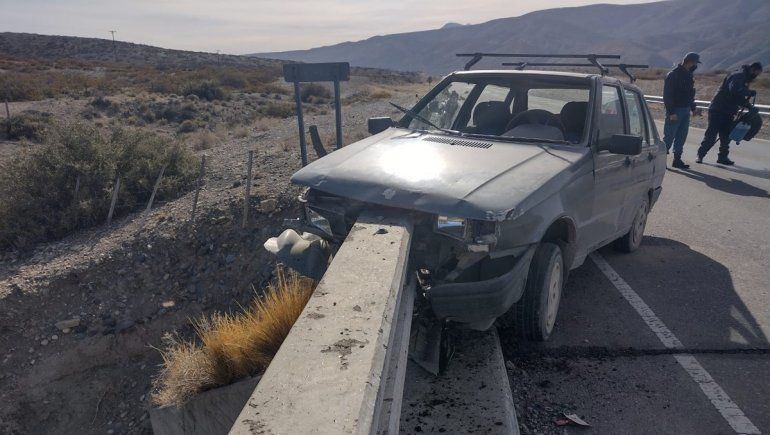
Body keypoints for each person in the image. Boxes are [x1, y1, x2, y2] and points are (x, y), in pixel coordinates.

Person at [697, 62, 763, 165]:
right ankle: (700, 155)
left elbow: (738, 98)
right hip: (718, 110)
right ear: (752, 69)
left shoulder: (744, 78)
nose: (756, 75)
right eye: (756, 73)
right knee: (711, 135)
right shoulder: (738, 75)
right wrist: (748, 92)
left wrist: (750, 107)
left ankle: (722, 157)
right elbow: (734, 90)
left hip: (729, 111)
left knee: (726, 136)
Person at [663, 52, 701, 169]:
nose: (695, 65)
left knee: (681, 136)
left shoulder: (689, 75)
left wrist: (693, 108)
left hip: (685, 110)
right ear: (689, 61)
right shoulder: (673, 75)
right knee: (669, 136)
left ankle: (677, 160)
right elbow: (667, 95)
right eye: (695, 63)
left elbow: (690, 94)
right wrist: (671, 112)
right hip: (676, 110)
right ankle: (660, 160)